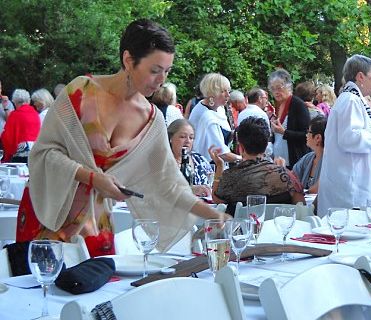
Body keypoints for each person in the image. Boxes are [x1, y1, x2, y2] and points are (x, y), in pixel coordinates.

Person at [18, 19, 228, 257]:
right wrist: (93, 178)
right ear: (128, 60)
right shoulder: (81, 92)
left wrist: (213, 214)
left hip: (95, 225)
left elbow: (168, 184)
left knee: (98, 291)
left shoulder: (152, 120)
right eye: (155, 70)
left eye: (167, 71)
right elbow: (44, 153)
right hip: (48, 208)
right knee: (35, 288)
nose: (162, 80)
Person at [317, 54, 371, 216]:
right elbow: (351, 139)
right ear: (360, 76)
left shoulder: (350, 99)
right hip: (351, 193)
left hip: (352, 188)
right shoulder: (350, 100)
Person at [209, 116, 305, 215]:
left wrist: (219, 167)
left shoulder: (229, 177)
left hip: (245, 228)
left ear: (241, 146)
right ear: (266, 144)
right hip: (280, 228)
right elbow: (301, 208)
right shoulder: (287, 176)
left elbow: (217, 199)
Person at [188, 73, 240, 163]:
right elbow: (221, 153)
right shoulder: (207, 116)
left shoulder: (218, 108)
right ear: (212, 93)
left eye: (228, 91)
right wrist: (244, 159)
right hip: (209, 167)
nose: (228, 95)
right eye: (223, 91)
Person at [268, 69, 310, 168]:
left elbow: (306, 135)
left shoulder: (298, 105)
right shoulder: (279, 105)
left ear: (288, 86)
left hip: (294, 162)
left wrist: (284, 132)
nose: (276, 92)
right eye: (273, 89)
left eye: (279, 88)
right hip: (279, 161)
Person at [167, 119, 213, 197]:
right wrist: (190, 190)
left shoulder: (200, 160)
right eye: (182, 137)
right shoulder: (163, 161)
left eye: (191, 138)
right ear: (171, 138)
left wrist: (219, 166)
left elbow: (212, 185)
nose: (187, 141)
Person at [1, 89, 40, 162]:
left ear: (15, 102)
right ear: (28, 100)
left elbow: (7, 137)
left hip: (21, 153)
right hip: (35, 151)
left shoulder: (15, 115)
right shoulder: (35, 114)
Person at [292, 116, 326, 194]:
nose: (306, 135)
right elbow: (292, 177)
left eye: (309, 132)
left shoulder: (330, 162)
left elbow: (319, 189)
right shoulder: (308, 158)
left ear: (318, 138)